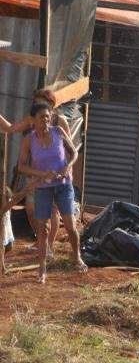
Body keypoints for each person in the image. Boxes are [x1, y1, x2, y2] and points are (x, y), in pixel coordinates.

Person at [18, 103, 86, 284]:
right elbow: (21, 166)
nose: (46, 120)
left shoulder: (58, 132)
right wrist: (41, 174)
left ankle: (77, 257)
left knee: (71, 226)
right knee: (43, 229)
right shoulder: (29, 140)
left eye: (48, 117)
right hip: (43, 187)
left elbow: (74, 154)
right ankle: (42, 268)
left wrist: (67, 167)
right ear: (33, 120)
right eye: (42, 117)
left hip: (63, 185)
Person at [0, 88, 70, 254]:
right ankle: (41, 241)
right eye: (36, 102)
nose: (39, 105)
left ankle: (48, 248)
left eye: (42, 103)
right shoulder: (33, 119)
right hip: (37, 172)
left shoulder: (60, 122)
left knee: (52, 210)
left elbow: (69, 148)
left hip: (56, 172)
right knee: (31, 209)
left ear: (51, 105)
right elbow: (11, 129)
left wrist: (65, 170)